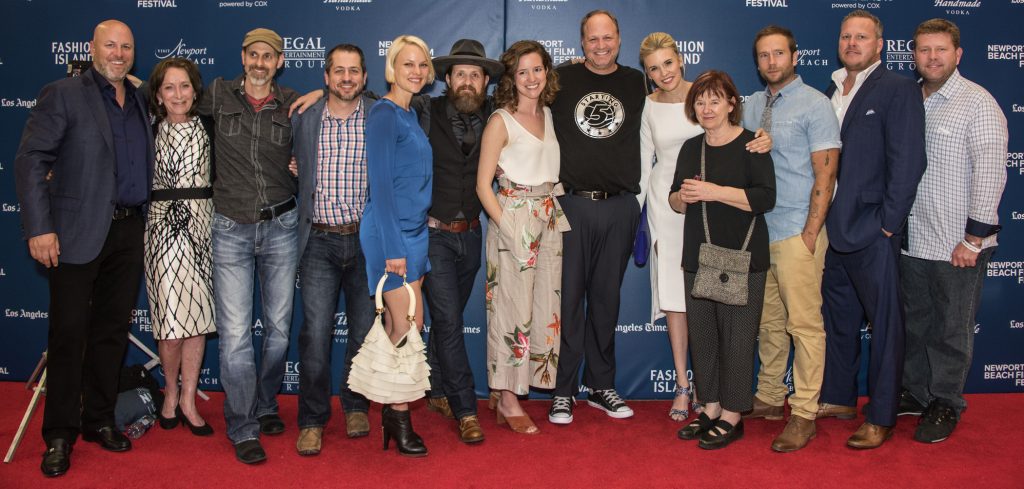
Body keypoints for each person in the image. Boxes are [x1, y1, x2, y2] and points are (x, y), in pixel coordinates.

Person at [14, 19, 153, 477]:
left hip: (129, 230)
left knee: (111, 331)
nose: (118, 53)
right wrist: (39, 226)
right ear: (91, 48)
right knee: (69, 334)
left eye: (126, 47)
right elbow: (32, 159)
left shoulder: (138, 98)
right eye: (110, 45)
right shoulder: (64, 93)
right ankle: (58, 433)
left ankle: (98, 419)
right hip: (74, 231)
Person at [817, 10, 926, 449]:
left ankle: (881, 414)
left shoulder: (897, 88)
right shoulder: (831, 88)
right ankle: (840, 397)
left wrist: (888, 225)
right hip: (832, 229)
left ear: (879, 44)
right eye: (846, 36)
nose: (852, 43)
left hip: (873, 230)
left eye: (862, 37)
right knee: (838, 319)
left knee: (884, 327)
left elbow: (908, 161)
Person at [196, 27, 300, 464]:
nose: (260, 63)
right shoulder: (216, 94)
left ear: (279, 62)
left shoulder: (295, 104)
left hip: (282, 225)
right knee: (236, 336)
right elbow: (166, 98)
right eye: (253, 55)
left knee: (277, 332)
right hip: (230, 228)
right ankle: (243, 426)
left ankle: (265, 402)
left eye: (268, 57)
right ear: (243, 57)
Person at [900, 18, 1007, 443]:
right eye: (924, 50)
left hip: (958, 244)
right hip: (915, 240)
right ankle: (916, 392)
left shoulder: (977, 103)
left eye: (940, 49)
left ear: (957, 54)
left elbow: (991, 172)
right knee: (916, 325)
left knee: (950, 328)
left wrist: (974, 238)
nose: (931, 57)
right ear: (914, 55)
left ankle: (945, 401)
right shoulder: (911, 100)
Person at [739, 26, 841, 452]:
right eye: (764, 56)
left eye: (778, 54)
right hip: (760, 231)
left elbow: (826, 173)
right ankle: (769, 396)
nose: (771, 62)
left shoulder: (815, 105)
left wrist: (811, 233)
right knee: (769, 323)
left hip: (798, 231)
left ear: (794, 57)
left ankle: (803, 412)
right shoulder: (750, 105)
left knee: (804, 325)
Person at [547, 9, 646, 424]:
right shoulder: (561, 80)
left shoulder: (637, 82)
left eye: (608, 38)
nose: (601, 46)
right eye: (593, 39)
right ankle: (563, 390)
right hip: (571, 205)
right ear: (581, 43)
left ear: (619, 39)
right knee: (568, 302)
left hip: (621, 205)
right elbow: (516, 96)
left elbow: (688, 99)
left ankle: (601, 385)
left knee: (607, 301)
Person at [671, 70, 776, 450]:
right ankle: (711, 406)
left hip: (744, 257)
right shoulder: (690, 148)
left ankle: (733, 414)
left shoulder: (753, 146)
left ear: (733, 104)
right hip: (699, 254)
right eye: (700, 101)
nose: (707, 108)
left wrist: (713, 191)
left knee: (737, 339)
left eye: (715, 100)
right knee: (703, 337)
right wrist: (683, 197)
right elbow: (674, 199)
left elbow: (764, 199)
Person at [477, 40, 569, 435]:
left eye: (538, 69)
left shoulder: (548, 113)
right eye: (522, 72)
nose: (531, 78)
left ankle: (509, 391)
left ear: (547, 72)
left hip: (548, 216)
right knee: (511, 312)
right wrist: (510, 229)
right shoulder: (501, 120)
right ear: (511, 79)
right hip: (513, 216)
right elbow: (483, 186)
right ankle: (509, 399)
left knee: (545, 308)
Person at [291, 44, 377, 456]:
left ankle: (356, 405)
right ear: (325, 77)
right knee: (314, 336)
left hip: (364, 241)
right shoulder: (305, 117)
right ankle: (311, 419)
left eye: (354, 71)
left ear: (364, 77)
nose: (346, 78)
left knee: (362, 333)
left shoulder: (379, 115)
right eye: (338, 71)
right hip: (318, 241)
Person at [416, 39, 503, 445]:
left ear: (486, 82)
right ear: (447, 79)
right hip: (432, 235)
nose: (467, 81)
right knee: (449, 321)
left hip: (472, 235)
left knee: (445, 321)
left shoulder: (498, 116)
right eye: (460, 74)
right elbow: (374, 106)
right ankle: (466, 408)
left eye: (475, 74)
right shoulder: (423, 111)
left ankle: (436, 391)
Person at [358, 34, 434, 457]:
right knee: (404, 330)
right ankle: (399, 419)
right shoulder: (384, 115)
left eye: (422, 65)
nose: (416, 72)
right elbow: (381, 187)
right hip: (392, 236)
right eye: (408, 64)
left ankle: (391, 413)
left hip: (416, 232)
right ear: (392, 68)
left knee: (408, 327)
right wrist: (393, 248)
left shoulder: (411, 112)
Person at [144, 57, 216, 438]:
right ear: (157, 93)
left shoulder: (209, 125)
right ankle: (169, 390)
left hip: (202, 226)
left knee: (198, 318)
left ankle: (189, 398)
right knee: (170, 321)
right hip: (161, 228)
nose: (178, 94)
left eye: (184, 86)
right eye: (169, 87)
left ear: (195, 89)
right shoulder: (147, 127)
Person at [638, 31, 701, 422]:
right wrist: (640, 220)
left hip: (710, 204)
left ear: (681, 59)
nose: (663, 73)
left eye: (667, 62)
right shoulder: (647, 106)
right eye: (653, 68)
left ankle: (712, 383)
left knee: (710, 297)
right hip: (666, 208)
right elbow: (645, 167)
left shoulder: (706, 93)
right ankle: (682, 385)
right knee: (676, 301)